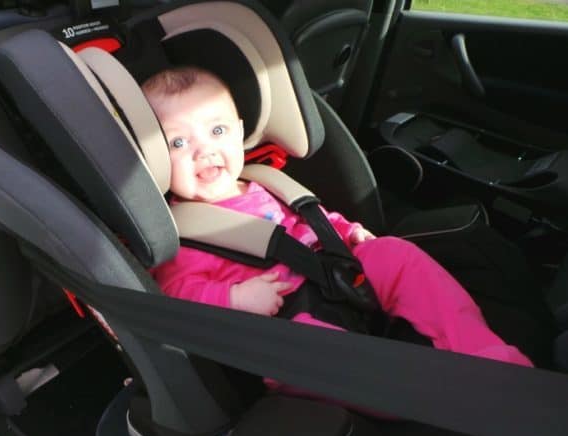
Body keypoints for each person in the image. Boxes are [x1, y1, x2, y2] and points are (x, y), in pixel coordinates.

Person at [142, 66, 532, 367]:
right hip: (285, 327)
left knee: (395, 253)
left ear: (240, 131)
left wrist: (348, 233)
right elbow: (177, 294)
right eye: (178, 142)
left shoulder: (265, 183)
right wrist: (233, 298)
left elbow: (313, 221)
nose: (203, 150)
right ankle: (427, 390)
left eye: (217, 130)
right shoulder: (183, 232)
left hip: (335, 278)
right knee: (316, 348)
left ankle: (486, 355)